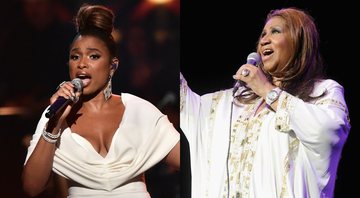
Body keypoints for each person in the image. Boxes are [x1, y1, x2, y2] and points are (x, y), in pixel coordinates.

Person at [180, 7, 350, 198]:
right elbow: (185, 103)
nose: (264, 40)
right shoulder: (233, 102)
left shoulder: (322, 92)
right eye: (263, 34)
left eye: (275, 32)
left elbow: (327, 131)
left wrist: (267, 90)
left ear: (299, 41)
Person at [22, 4, 180, 198]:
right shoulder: (54, 116)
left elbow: (192, 165)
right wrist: (54, 126)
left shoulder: (139, 110)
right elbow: (32, 187)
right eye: (75, 56)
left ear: (112, 66)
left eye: (93, 56)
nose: (82, 63)